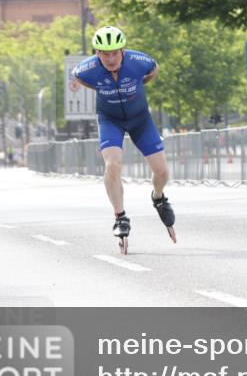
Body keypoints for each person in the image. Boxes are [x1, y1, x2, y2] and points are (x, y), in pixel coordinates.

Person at [69, 26, 175, 248]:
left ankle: (158, 197)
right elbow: (79, 77)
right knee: (113, 165)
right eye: (105, 54)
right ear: (97, 53)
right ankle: (120, 216)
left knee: (163, 172)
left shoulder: (140, 61)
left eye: (115, 52)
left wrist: (138, 84)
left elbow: (154, 70)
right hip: (110, 120)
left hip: (140, 120)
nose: (110, 58)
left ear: (123, 50)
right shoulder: (86, 69)